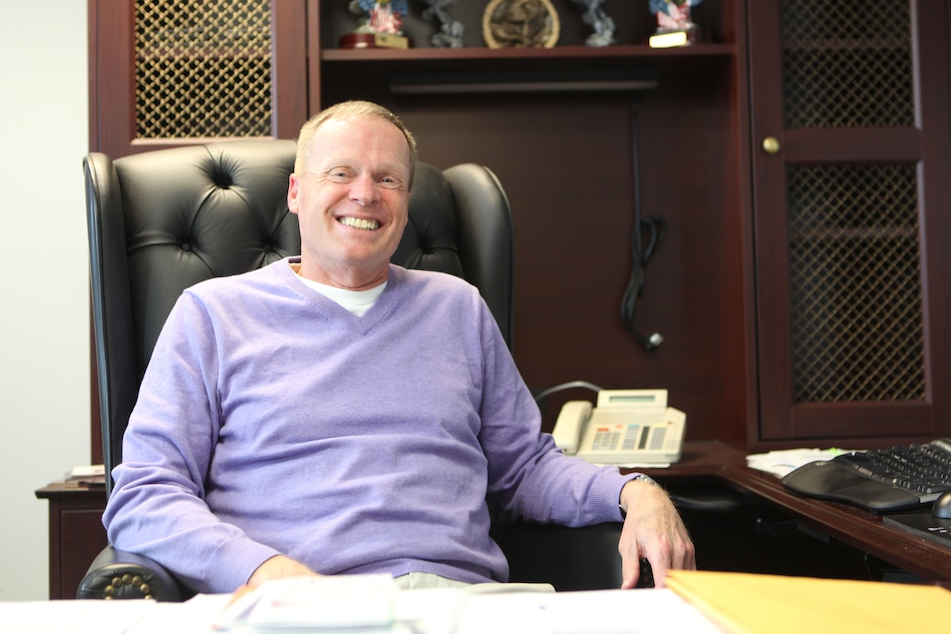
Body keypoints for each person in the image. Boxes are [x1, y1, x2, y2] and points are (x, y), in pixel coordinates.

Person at [102, 100, 695, 594]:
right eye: (341, 173)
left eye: (387, 179)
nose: (365, 194)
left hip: (467, 604)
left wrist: (634, 490)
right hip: (302, 606)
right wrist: (263, 571)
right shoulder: (211, 314)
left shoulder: (457, 307)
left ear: (406, 205)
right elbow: (145, 495)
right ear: (294, 192)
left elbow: (524, 468)